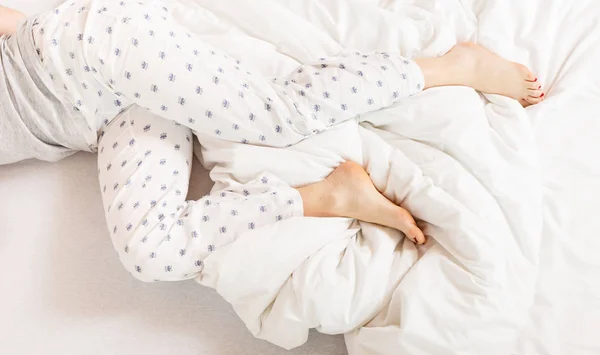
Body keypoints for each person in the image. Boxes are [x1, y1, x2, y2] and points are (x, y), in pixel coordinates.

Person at [0, 1, 544, 282]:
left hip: (84, 53)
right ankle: (325, 195)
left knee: (279, 117)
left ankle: (450, 67)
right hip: (103, 116)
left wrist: (41, 38)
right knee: (149, 255)